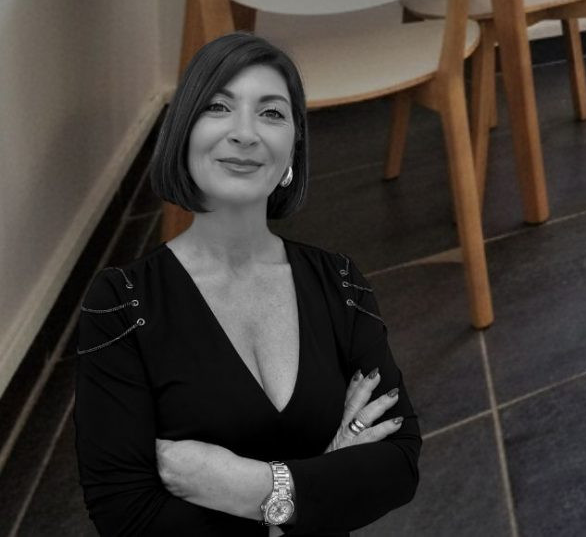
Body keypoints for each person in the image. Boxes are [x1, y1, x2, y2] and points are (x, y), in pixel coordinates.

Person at [73, 33, 421, 534]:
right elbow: (125, 515)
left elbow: (399, 463)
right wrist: (326, 476)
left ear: (294, 146)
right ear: (184, 131)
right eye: (218, 107)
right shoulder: (120, 303)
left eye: (272, 113)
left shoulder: (340, 281)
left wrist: (258, 488)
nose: (245, 133)